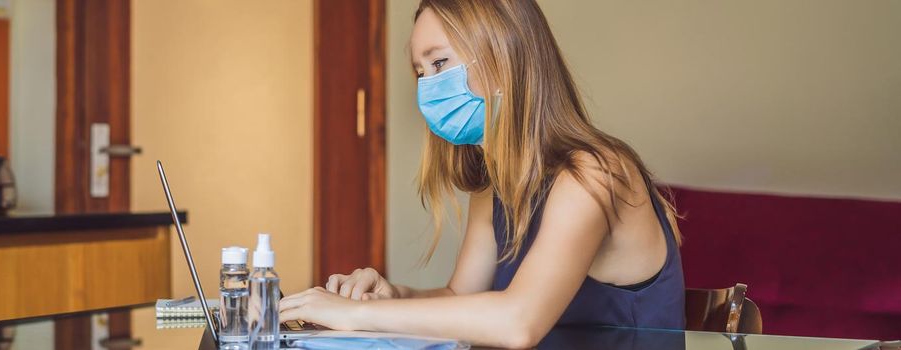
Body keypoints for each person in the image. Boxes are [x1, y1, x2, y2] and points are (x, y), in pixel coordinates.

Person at [280, 0, 684, 347]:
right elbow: (460, 295)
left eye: (440, 62)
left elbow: (519, 322)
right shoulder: (494, 184)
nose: (427, 88)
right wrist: (390, 295)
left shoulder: (595, 172)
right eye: (421, 72)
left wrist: (356, 317)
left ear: (505, 56)